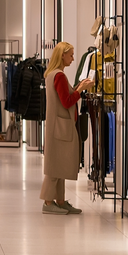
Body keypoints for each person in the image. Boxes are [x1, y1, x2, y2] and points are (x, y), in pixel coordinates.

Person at [41, 41, 94, 215]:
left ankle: (60, 201)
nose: (72, 58)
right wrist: (82, 90)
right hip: (61, 126)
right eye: (70, 55)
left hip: (57, 124)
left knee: (59, 163)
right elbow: (67, 101)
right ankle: (49, 202)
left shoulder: (51, 74)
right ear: (62, 55)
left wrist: (79, 87)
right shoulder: (59, 76)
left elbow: (64, 96)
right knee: (55, 166)